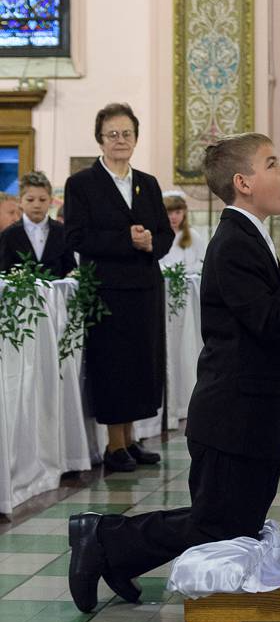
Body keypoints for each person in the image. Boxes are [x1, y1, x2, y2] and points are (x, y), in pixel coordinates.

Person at [67, 132, 280, 612]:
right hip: (232, 414)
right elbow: (266, 319)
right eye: (272, 163)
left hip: (251, 412)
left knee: (232, 523)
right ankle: (104, 537)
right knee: (218, 526)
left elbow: (275, 315)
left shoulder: (251, 235)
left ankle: (114, 547)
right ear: (243, 182)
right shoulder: (233, 242)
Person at [63, 103, 174, 473]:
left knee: (142, 365)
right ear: (100, 139)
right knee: (114, 365)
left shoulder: (148, 183)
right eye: (112, 134)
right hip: (107, 290)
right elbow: (76, 236)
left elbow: (165, 233)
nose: (120, 140)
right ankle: (113, 446)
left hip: (145, 287)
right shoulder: (82, 184)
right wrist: (126, 239)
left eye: (127, 133)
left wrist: (150, 243)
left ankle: (129, 439)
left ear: (136, 138)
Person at [0, 170, 75, 277]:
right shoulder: (8, 234)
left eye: (42, 200)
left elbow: (70, 270)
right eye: (30, 200)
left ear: (50, 201)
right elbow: (3, 272)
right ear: (20, 201)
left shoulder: (62, 231)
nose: (37, 205)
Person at [159, 190, 206, 274]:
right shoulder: (159, 235)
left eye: (178, 212)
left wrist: (184, 272)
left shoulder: (193, 235)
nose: (173, 217)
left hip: (189, 279)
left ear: (184, 213)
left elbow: (202, 261)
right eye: (169, 213)